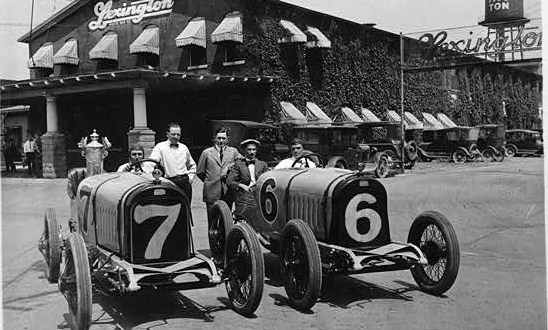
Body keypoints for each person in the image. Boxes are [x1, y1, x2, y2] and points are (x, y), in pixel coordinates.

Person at [197, 126, 243, 228]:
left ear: (227, 139)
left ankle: (224, 242)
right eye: (219, 138)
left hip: (227, 192)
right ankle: (212, 242)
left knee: (226, 222)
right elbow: (200, 172)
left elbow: (242, 162)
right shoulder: (207, 153)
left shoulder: (233, 151)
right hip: (211, 192)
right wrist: (210, 180)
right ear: (214, 138)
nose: (221, 141)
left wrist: (229, 167)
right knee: (212, 221)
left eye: (223, 138)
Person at [149, 123, 197, 202]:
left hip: (184, 183)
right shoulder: (160, 147)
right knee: (171, 210)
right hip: (169, 183)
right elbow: (151, 164)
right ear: (167, 134)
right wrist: (154, 178)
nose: (176, 137)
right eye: (173, 134)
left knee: (186, 209)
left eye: (178, 134)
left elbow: (192, 165)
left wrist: (190, 178)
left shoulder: (184, 148)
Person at [227, 139, 268, 220]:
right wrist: (241, 185)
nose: (252, 152)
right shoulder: (238, 164)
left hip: (259, 194)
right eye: (249, 149)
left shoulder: (262, 164)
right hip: (244, 196)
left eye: (254, 149)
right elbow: (229, 181)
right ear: (244, 151)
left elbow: (267, 179)